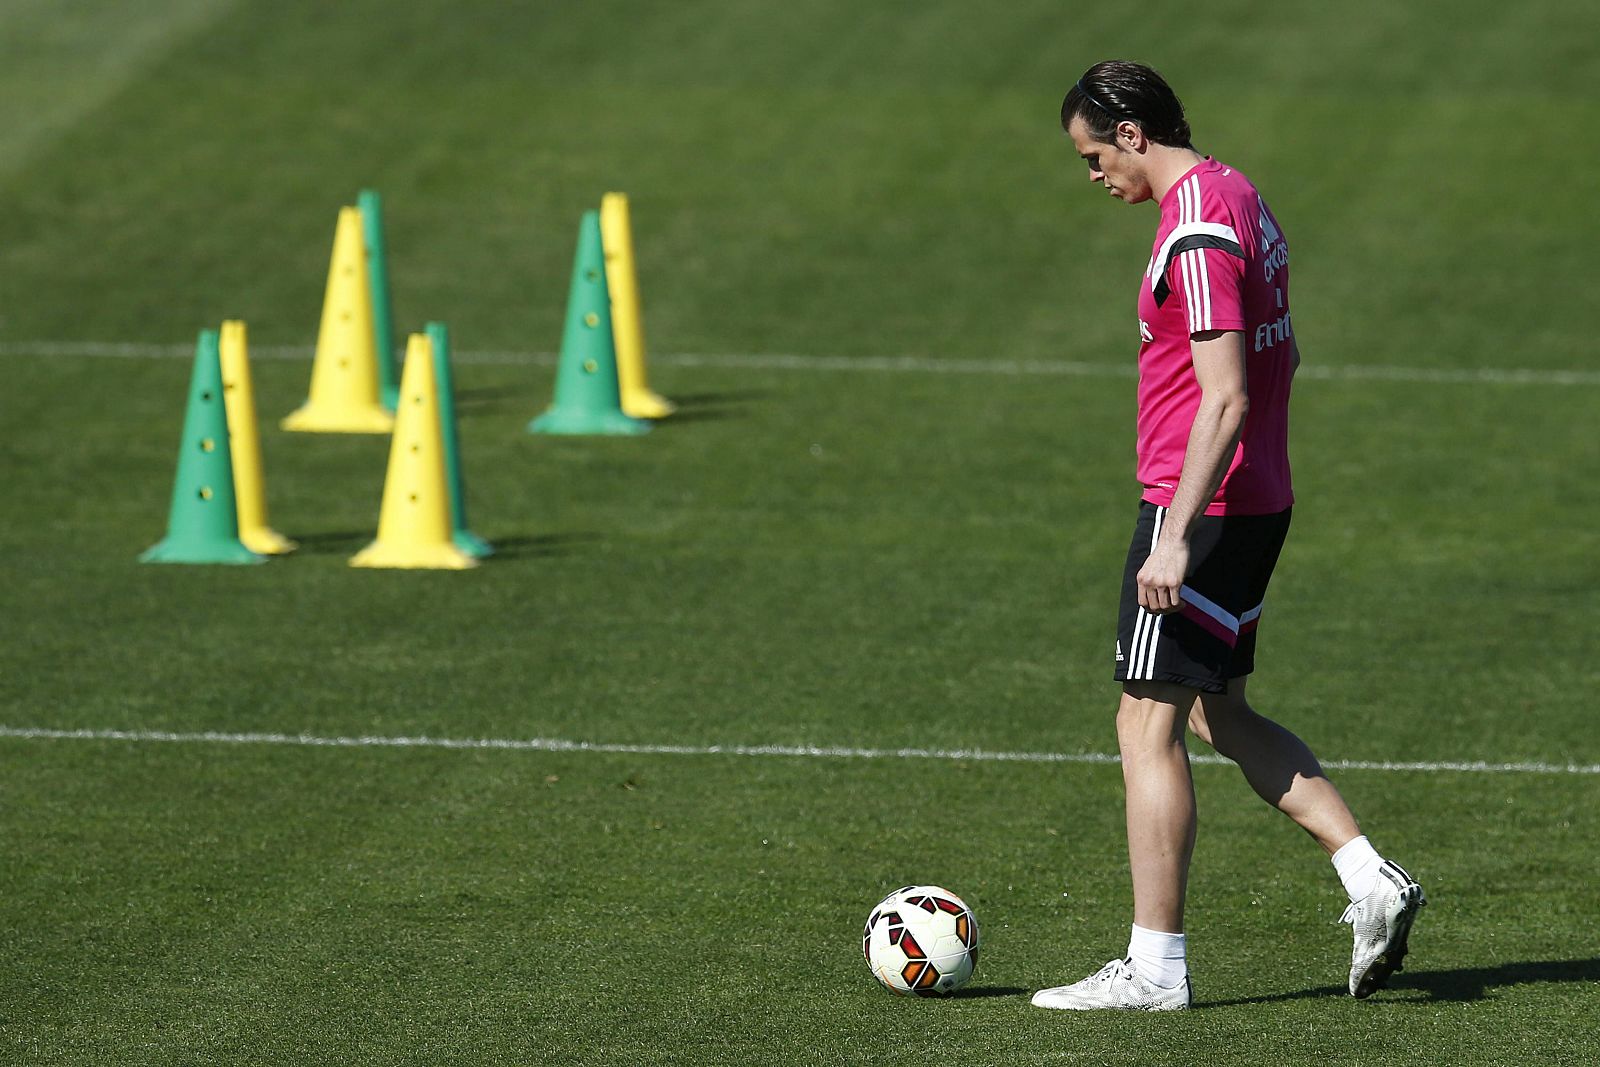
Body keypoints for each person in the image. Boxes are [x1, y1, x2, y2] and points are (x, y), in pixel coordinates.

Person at [1031, 61, 1424, 1012]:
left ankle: (1155, 967)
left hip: (1199, 509)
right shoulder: (1235, 189)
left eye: (1093, 156)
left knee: (1144, 721)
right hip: (1253, 500)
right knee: (1216, 710)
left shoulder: (1197, 231)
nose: (1092, 177)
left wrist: (1170, 536)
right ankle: (1370, 876)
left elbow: (1228, 393)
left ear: (1131, 133)